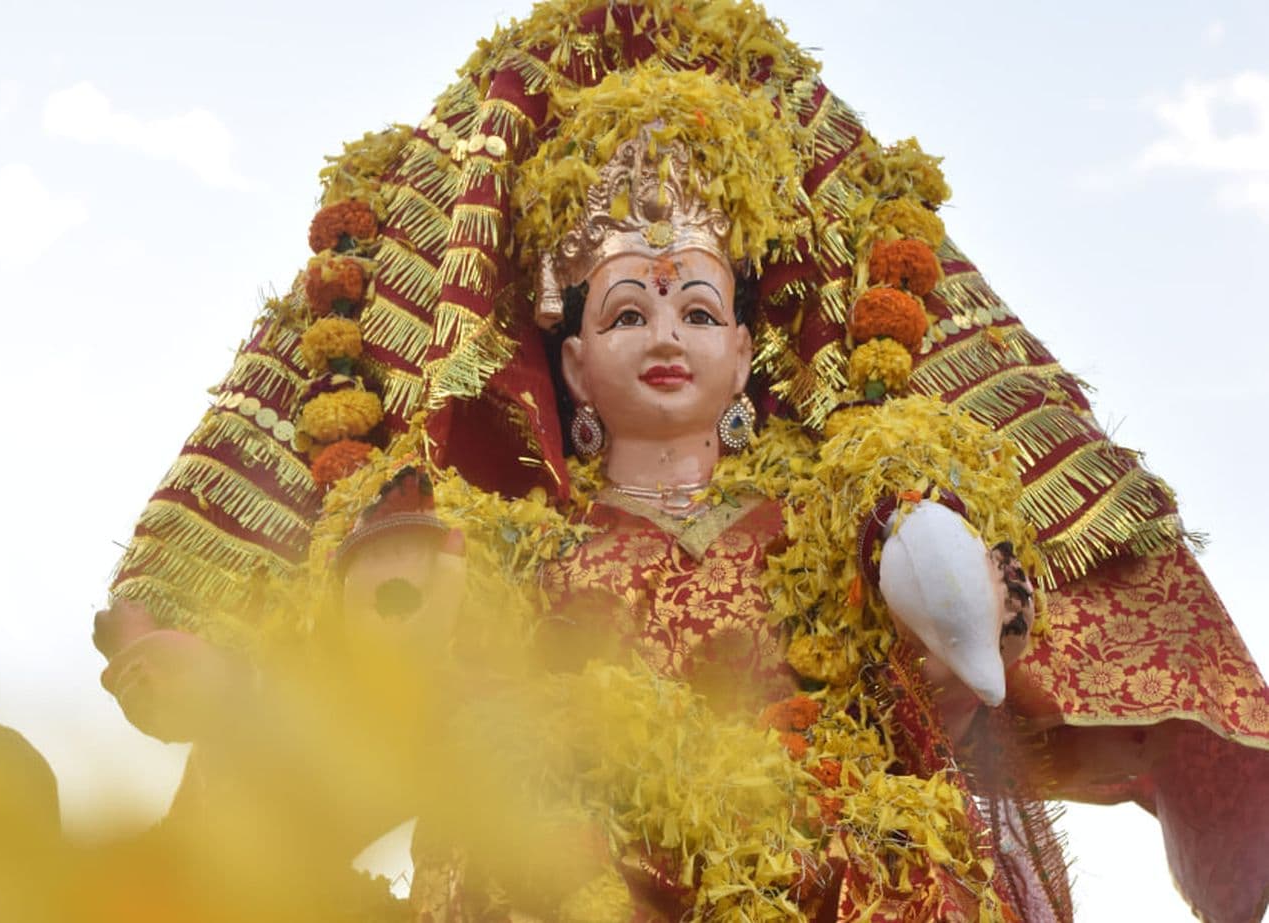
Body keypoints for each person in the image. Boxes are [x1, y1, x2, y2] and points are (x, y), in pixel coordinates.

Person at [96, 2, 1269, 920]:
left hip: (834, 873)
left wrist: (972, 594)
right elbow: (403, 695)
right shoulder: (513, 546)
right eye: (624, 314)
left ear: (749, 352)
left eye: (699, 309)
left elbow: (951, 690)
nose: (666, 335)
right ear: (565, 369)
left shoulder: (825, 529)